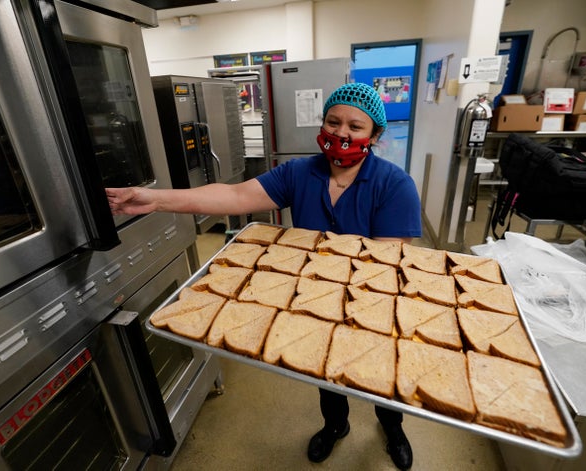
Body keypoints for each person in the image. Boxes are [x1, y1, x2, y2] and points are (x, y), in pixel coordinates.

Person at [107, 82, 421, 470]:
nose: (342, 133)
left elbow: (385, 263)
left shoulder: (395, 185)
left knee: (379, 369)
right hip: (317, 300)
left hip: (372, 300)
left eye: (356, 127)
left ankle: (392, 427)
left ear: (374, 135)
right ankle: (335, 426)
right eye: (333, 121)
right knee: (324, 368)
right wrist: (157, 199)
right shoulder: (300, 173)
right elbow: (235, 197)